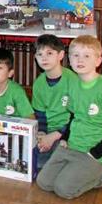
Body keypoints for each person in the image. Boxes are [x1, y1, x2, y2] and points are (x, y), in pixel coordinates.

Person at [37, 35, 102, 199]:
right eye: (75, 55)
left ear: (98, 60)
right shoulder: (73, 84)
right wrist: (65, 138)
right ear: (69, 59)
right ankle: (80, 170)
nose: (80, 60)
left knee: (64, 190)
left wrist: (96, 153)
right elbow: (74, 115)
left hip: (95, 151)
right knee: (44, 182)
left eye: (87, 56)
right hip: (73, 144)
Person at [32, 34, 79, 170]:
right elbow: (40, 114)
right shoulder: (38, 84)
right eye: (40, 54)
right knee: (36, 163)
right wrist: (41, 133)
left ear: (61, 55)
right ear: (35, 58)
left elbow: (77, 116)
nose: (44, 58)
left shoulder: (73, 80)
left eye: (49, 53)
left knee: (58, 160)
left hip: (68, 131)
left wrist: (56, 135)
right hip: (48, 131)